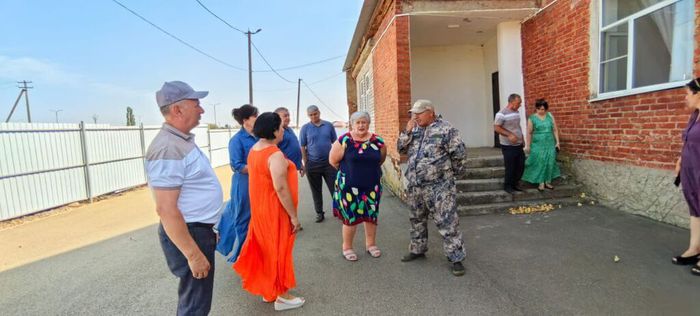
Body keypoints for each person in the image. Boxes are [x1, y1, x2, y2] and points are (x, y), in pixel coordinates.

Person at [146, 81, 223, 315]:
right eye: (196, 104)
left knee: (197, 301)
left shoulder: (180, 141)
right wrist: (193, 254)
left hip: (198, 230)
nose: (201, 110)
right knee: (195, 306)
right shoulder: (168, 147)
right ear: (177, 110)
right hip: (191, 233)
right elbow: (166, 209)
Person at [233, 112, 305, 311]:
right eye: (281, 128)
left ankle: (269, 291)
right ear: (274, 131)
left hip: (260, 210)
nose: (283, 131)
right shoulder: (274, 154)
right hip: (274, 210)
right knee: (279, 250)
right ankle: (282, 295)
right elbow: (281, 188)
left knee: (266, 250)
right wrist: (293, 216)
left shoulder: (254, 150)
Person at [397, 99, 468, 276]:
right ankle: (417, 249)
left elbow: (459, 154)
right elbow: (400, 149)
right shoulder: (413, 129)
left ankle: (456, 258)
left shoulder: (446, 129)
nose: (415, 116)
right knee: (416, 219)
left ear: (430, 112)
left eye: (419, 113)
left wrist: (451, 177)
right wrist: (407, 131)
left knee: (448, 221)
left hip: (439, 187)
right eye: (413, 113)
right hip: (416, 185)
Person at [329, 111, 386, 261]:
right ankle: (347, 247)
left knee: (371, 216)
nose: (361, 125)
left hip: (372, 187)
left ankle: (371, 244)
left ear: (368, 124)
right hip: (349, 188)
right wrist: (349, 174)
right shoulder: (344, 140)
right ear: (352, 124)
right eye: (358, 122)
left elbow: (380, 160)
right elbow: (333, 161)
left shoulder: (378, 141)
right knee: (350, 217)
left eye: (364, 122)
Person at [216, 105, 258, 263]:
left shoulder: (259, 137)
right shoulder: (237, 140)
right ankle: (241, 255)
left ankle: (254, 252)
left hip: (259, 182)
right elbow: (237, 165)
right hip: (243, 184)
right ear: (245, 120)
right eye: (255, 116)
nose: (257, 118)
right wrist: (259, 167)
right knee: (242, 219)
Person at [673, 77, 700, 277]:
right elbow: (688, 142)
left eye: (687, 93)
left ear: (698, 94)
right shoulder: (695, 116)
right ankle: (694, 249)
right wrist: (680, 161)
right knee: (695, 208)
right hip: (690, 169)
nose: (685, 98)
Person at [299, 105, 338, 223]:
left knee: (335, 189)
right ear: (308, 116)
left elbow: (335, 143)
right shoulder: (305, 128)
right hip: (312, 164)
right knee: (316, 190)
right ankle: (319, 213)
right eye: (311, 115)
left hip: (329, 164)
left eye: (315, 114)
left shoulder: (328, 125)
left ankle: (340, 211)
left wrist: (337, 160)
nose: (313, 116)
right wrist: (305, 164)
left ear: (319, 112)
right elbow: (302, 146)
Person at [522, 99, 561, 191]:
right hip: (537, 143)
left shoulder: (550, 116)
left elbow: (555, 129)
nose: (540, 111)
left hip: (549, 142)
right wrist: (528, 145)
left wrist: (557, 142)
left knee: (550, 161)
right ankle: (541, 182)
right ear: (536, 108)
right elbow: (529, 132)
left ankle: (548, 181)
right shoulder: (532, 118)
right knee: (540, 161)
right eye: (538, 109)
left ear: (546, 109)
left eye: (543, 109)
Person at [495, 93, 526, 193]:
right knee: (511, 167)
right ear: (512, 102)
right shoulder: (501, 114)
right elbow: (496, 128)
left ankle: (515, 184)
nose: (520, 105)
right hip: (508, 146)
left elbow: (517, 126)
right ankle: (508, 187)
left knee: (520, 165)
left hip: (518, 144)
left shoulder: (516, 112)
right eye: (518, 103)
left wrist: (523, 138)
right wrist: (509, 135)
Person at [274, 107, 304, 175]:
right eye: (285, 116)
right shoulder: (276, 132)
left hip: (294, 168)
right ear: (277, 118)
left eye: (288, 115)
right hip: (284, 169)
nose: (288, 118)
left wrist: (300, 164)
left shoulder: (290, 129)